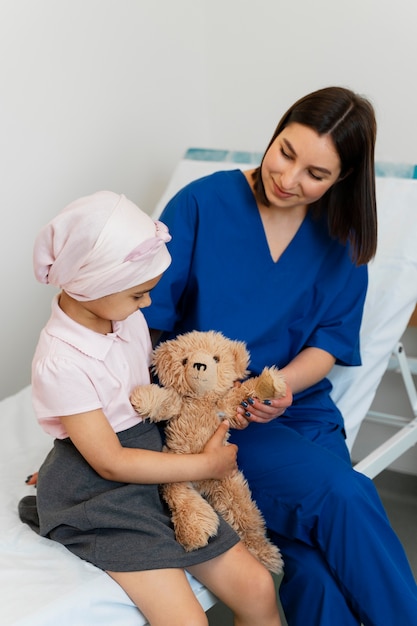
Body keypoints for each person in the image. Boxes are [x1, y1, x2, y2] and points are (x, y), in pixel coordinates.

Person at [143, 87, 417, 626]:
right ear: (276, 132)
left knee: (312, 572)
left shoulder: (340, 236)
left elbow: (329, 343)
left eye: (316, 173)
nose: (288, 179)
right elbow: (147, 327)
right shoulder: (202, 205)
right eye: (286, 152)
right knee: (344, 496)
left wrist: (282, 385)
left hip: (302, 413)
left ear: (342, 179)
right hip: (219, 420)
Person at [19, 191, 282, 626]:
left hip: (152, 463)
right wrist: (203, 465)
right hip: (103, 492)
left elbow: (148, 398)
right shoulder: (61, 360)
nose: (147, 305)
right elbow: (109, 461)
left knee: (256, 588)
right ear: (92, 285)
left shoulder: (124, 317)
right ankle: (57, 486)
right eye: (139, 294)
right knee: (187, 621)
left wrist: (214, 409)